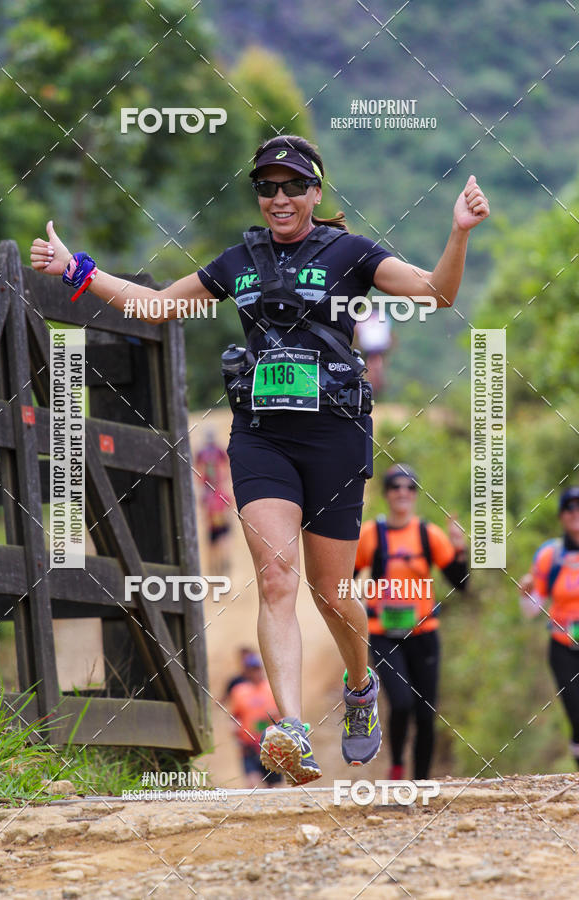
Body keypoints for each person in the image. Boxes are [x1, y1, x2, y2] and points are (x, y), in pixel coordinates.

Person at [30, 134, 489, 784]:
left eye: (292, 186)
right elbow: (160, 307)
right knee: (277, 579)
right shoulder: (240, 260)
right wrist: (79, 269)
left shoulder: (350, 254)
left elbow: (435, 295)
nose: (279, 198)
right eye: (267, 187)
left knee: (331, 593)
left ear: (315, 192)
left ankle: (360, 689)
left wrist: (459, 232)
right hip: (262, 438)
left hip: (335, 436)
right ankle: (292, 729)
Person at [354, 464, 469, 780]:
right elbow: (345, 577)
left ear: (416, 494)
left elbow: (461, 583)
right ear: (387, 493)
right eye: (396, 487)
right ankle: (396, 766)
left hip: (423, 633)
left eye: (410, 487)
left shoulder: (428, 534)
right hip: (383, 633)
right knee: (401, 703)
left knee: (426, 713)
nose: (403, 493)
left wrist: (460, 549)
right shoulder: (370, 535)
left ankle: (420, 782)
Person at [518, 486, 579, 770]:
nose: (575, 513)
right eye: (569, 508)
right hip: (563, 647)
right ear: (561, 516)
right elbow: (532, 611)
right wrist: (526, 593)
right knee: (576, 712)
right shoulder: (550, 556)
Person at [227, 653, 283, 787]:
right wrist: (235, 733)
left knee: (273, 787)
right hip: (249, 747)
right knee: (252, 784)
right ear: (246, 671)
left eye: (257, 668)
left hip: (271, 745)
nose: (255, 672)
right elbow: (234, 716)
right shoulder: (239, 691)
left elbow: (283, 713)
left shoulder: (272, 688)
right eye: (251, 669)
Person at [195, 429, 233, 576]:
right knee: (223, 533)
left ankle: (215, 569)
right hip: (220, 496)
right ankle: (222, 564)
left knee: (212, 537)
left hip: (209, 498)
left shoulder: (202, 454)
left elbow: (199, 475)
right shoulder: (219, 452)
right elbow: (225, 471)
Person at [355, 309, 394, 397]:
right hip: (380, 346)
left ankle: (372, 387)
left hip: (368, 346)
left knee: (371, 367)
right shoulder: (384, 316)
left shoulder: (361, 316)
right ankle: (375, 387)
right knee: (377, 366)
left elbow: (356, 331)